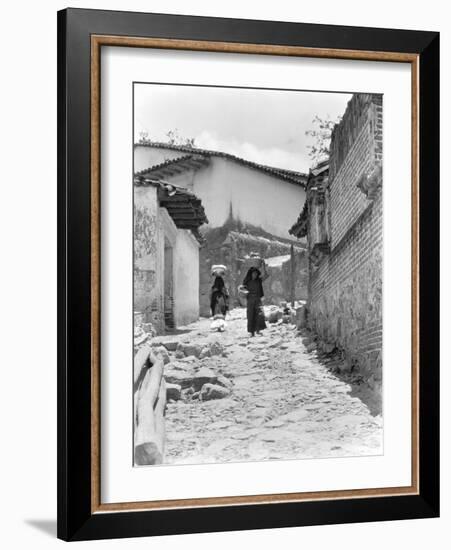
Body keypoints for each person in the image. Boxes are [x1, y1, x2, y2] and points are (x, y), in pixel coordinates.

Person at [242, 262, 269, 337]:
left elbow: (266, 275)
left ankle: (258, 330)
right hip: (250, 300)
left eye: (256, 273)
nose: (255, 275)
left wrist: (263, 266)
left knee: (259, 314)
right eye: (253, 273)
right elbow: (242, 289)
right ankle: (252, 332)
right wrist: (242, 290)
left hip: (257, 300)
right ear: (250, 274)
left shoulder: (258, 281)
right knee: (251, 315)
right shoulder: (247, 282)